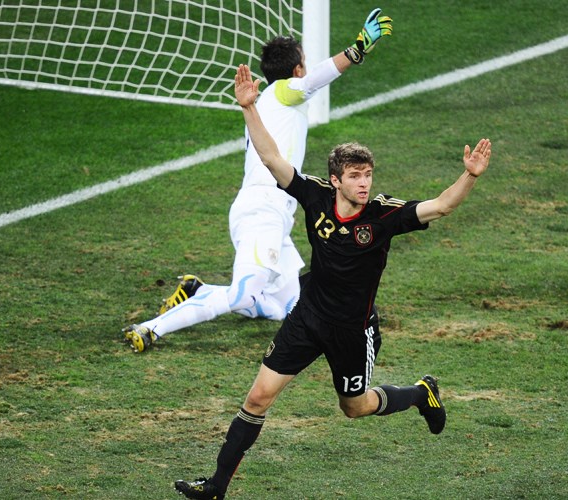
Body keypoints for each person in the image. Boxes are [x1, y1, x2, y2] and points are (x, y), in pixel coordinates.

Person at [173, 64, 493, 499]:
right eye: (356, 177)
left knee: (354, 408)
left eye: (368, 175)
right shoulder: (316, 196)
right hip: (307, 316)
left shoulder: (383, 214)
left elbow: (440, 207)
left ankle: (421, 394)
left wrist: (470, 176)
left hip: (352, 330)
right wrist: (250, 108)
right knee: (257, 399)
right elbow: (271, 159)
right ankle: (216, 487)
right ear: (337, 179)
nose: (365, 184)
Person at [123, 9, 394, 353]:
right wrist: (355, 51)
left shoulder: (266, 103)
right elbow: (315, 81)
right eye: (304, 64)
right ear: (296, 70)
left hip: (274, 213)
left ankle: (199, 292)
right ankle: (150, 328)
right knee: (242, 295)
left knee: (292, 307)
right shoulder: (282, 92)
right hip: (262, 209)